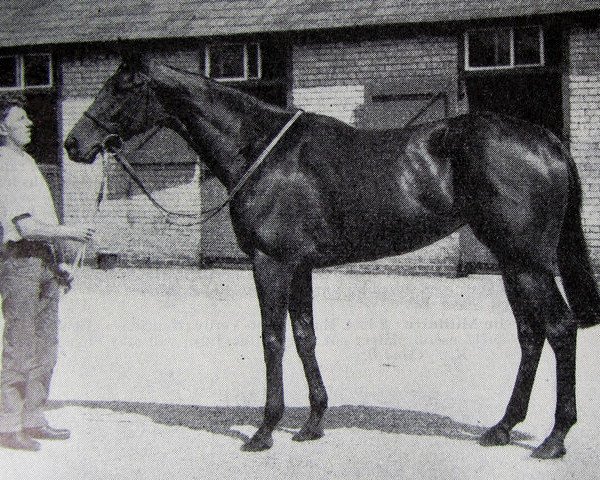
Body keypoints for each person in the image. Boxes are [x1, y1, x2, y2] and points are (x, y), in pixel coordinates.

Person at [0, 95, 94, 451]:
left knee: (46, 347)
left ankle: (33, 418)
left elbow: (43, 222)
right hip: (19, 261)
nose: (29, 124)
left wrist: (59, 264)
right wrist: (71, 233)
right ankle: (8, 425)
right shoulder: (4, 165)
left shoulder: (27, 163)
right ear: (1, 128)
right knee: (20, 345)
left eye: (28, 119)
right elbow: (24, 227)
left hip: (43, 262)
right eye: (20, 119)